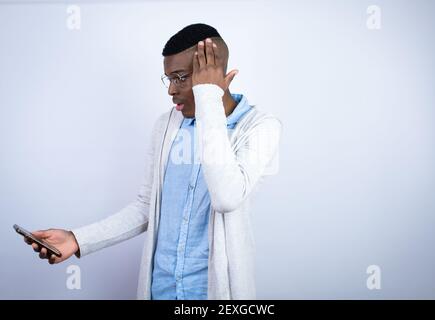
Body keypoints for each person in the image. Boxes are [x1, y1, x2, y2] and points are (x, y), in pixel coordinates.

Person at [24, 23, 282, 300]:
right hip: (161, 290)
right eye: (168, 79)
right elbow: (147, 206)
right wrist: (78, 239)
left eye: (181, 78)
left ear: (216, 75)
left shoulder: (260, 127)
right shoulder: (167, 125)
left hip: (214, 294)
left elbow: (226, 197)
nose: (171, 90)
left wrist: (209, 99)